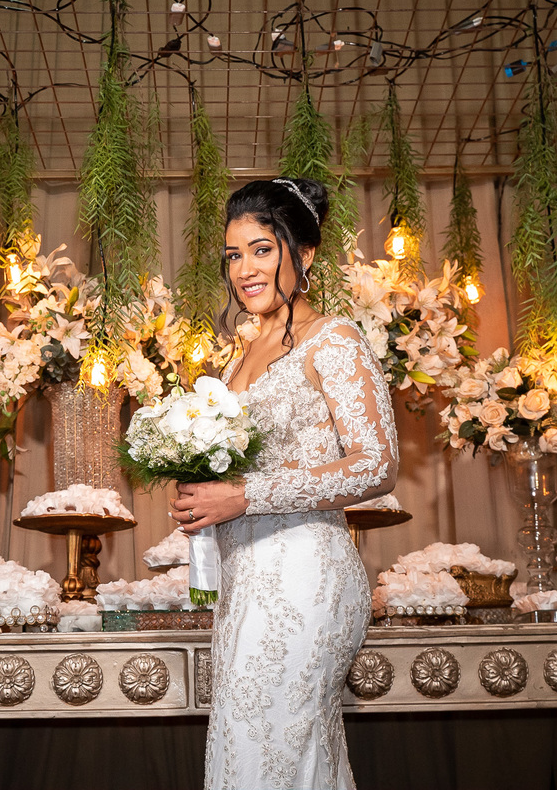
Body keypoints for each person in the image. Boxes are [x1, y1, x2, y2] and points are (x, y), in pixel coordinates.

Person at [169, 177, 399, 790]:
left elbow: (377, 465)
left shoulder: (335, 340)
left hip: (305, 573)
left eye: (262, 250)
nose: (244, 269)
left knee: (274, 749)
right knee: (251, 752)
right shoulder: (239, 354)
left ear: (306, 253)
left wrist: (243, 496)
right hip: (245, 576)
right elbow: (240, 468)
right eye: (233, 255)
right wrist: (200, 487)